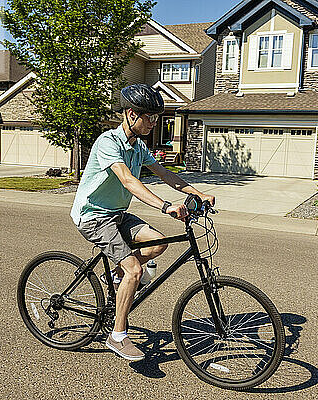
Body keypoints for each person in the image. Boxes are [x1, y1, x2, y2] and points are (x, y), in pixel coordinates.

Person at [70, 84, 215, 361]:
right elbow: (128, 180)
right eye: (148, 116)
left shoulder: (139, 147)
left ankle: (114, 277)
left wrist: (197, 193)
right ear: (130, 114)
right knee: (135, 271)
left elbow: (164, 174)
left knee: (157, 242)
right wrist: (165, 205)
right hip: (94, 216)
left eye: (155, 117)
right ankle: (118, 335)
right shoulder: (108, 142)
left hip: (117, 214)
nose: (153, 122)